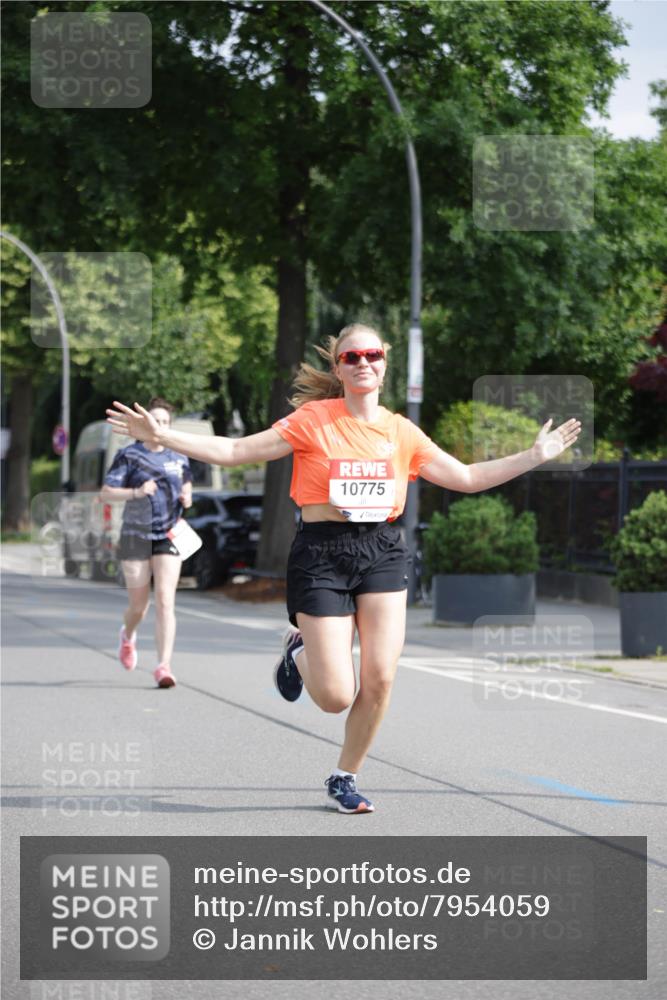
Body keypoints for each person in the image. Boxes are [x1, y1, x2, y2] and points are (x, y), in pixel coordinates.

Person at [106, 324, 581, 810]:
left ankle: (344, 777)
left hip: (382, 550)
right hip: (322, 553)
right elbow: (235, 451)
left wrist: (533, 456)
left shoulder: (400, 431)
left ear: (384, 363)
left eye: (372, 354)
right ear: (338, 367)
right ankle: (299, 653)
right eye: (351, 356)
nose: (362, 363)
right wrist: (163, 435)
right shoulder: (314, 419)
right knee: (336, 695)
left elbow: (465, 476)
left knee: (380, 677)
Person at [100, 397, 193, 689]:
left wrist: (188, 496)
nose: (160, 426)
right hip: (135, 535)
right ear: (145, 423)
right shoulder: (130, 455)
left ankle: (164, 666)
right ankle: (128, 635)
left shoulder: (179, 455)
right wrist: (137, 492)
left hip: (168, 534)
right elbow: (107, 493)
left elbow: (186, 482)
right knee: (139, 606)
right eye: (156, 420)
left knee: (166, 600)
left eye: (165, 422)